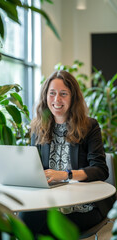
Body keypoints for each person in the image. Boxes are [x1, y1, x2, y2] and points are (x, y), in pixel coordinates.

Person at [19, 70, 115, 238]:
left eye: (63, 94)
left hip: (85, 206)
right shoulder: (38, 128)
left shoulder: (90, 126)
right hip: (51, 202)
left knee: (34, 223)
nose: (57, 100)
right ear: (45, 97)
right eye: (52, 93)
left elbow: (100, 169)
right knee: (26, 218)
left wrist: (65, 175)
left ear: (73, 98)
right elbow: (35, 168)